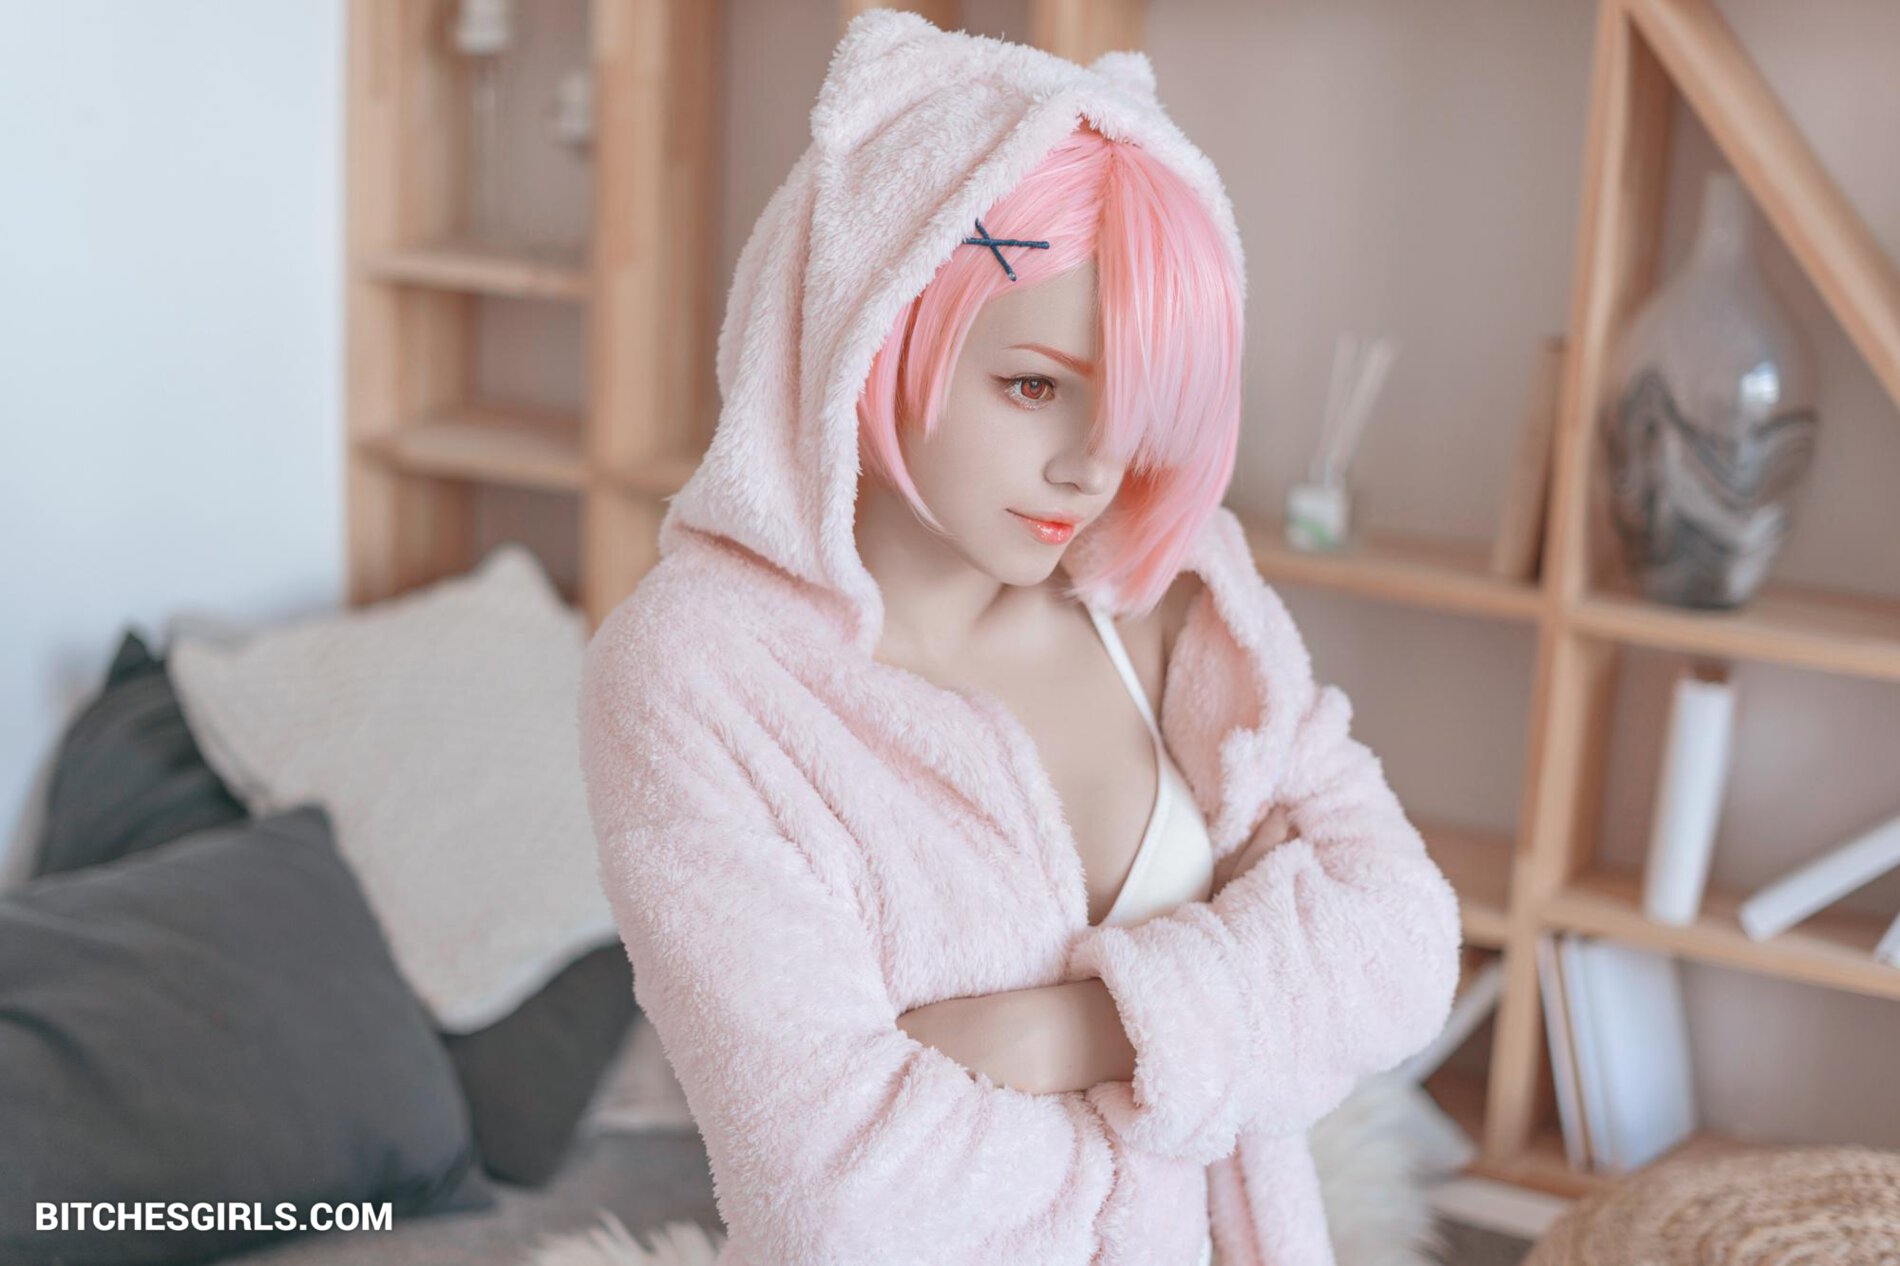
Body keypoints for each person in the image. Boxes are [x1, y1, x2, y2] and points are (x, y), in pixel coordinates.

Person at [577, 12, 1464, 1265]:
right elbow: (841, 1198)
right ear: (869, 326)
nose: (1091, 467)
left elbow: (1403, 945)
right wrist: (1238, 1016)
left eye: (1133, 405)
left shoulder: (1171, 600)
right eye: (1034, 385)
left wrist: (1083, 1031)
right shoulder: (699, 679)